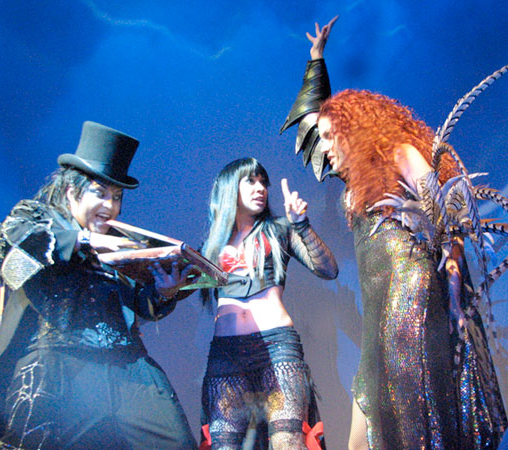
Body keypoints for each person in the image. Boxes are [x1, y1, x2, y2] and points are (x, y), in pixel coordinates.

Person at [281, 18, 507, 449]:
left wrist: (454, 298)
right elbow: (313, 123)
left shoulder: (400, 155)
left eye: (331, 136)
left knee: (411, 419)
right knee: (365, 426)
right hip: (380, 314)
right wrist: (315, 62)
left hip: (413, 298)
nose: (324, 146)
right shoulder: (354, 179)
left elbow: (450, 223)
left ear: (354, 129)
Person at [0, 121, 198, 449]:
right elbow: (13, 250)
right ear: (71, 190)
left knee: (177, 443)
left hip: (127, 364)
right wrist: (85, 241)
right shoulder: (36, 217)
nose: (110, 206)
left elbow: (139, 304)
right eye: (99, 193)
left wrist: (165, 291)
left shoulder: (120, 241)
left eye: (116, 197)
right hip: (58, 365)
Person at [199, 157, 338, 450]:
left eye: (263, 182)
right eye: (250, 181)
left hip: (277, 351)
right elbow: (174, 289)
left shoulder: (280, 230)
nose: (260, 188)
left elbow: (328, 270)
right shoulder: (211, 246)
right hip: (227, 357)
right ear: (229, 188)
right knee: (224, 443)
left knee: (287, 440)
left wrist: (301, 224)